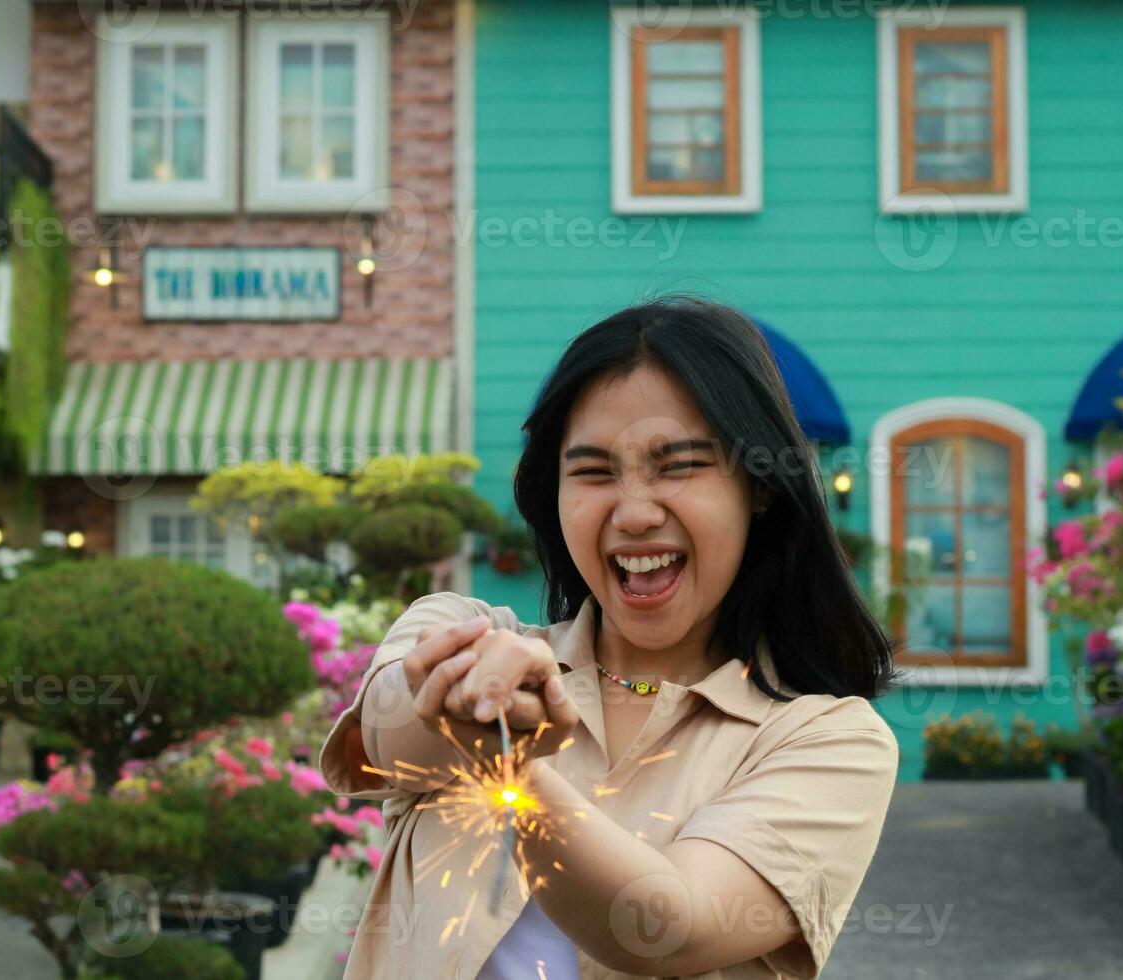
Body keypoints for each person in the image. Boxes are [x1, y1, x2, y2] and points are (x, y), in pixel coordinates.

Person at [319, 295, 901, 979]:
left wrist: (515, 773)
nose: (634, 512)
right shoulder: (457, 635)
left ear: (760, 487)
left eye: (678, 465)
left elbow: (667, 927)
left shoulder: (828, 742)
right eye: (593, 472)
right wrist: (464, 701)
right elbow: (388, 735)